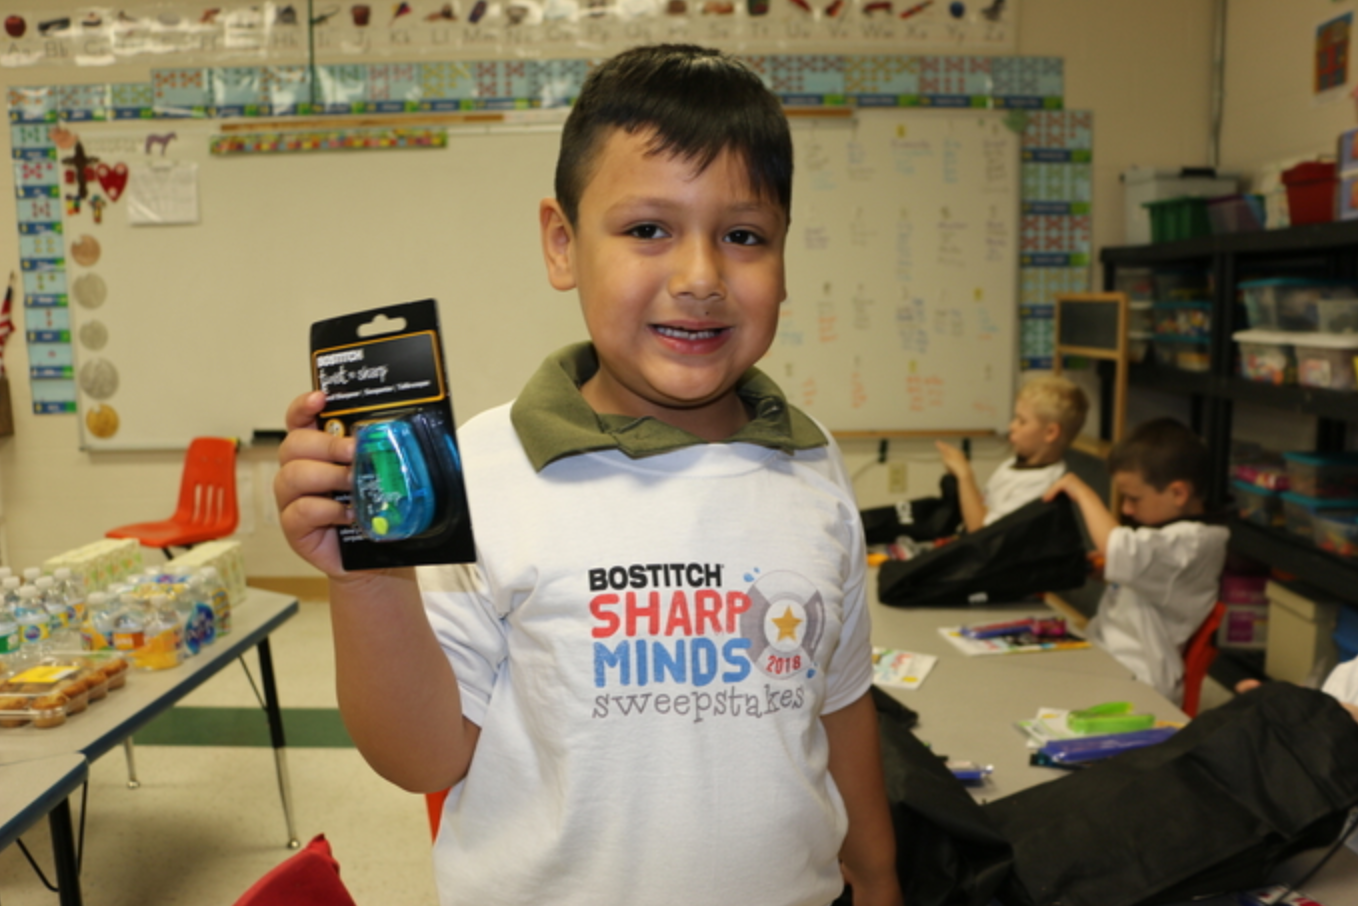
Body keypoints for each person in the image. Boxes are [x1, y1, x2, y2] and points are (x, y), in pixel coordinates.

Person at [274, 44, 902, 906]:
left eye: (744, 236)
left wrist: (877, 880)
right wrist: (366, 581)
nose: (700, 278)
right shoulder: (487, 470)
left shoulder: (810, 459)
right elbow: (422, 757)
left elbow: (841, 705)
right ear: (563, 244)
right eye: (648, 229)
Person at [1042, 418, 1229, 706]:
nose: (1127, 509)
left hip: (1139, 682)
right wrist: (1109, 572)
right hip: (1109, 656)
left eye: (1133, 498)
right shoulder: (1172, 534)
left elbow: (1119, 547)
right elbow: (1148, 573)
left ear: (1178, 493)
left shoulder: (1192, 542)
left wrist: (1083, 492)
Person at [936, 374, 1088, 533]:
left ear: (1050, 432)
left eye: (1022, 421)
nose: (1012, 426)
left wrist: (964, 475)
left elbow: (981, 535)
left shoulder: (1040, 486)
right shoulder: (1014, 463)